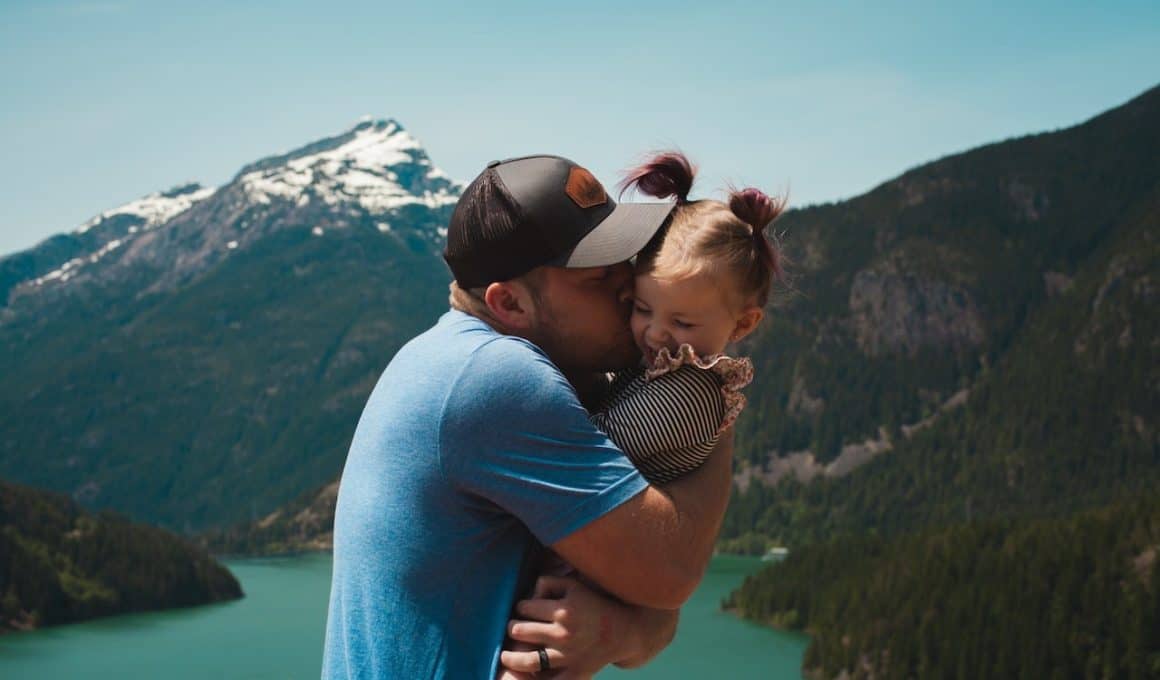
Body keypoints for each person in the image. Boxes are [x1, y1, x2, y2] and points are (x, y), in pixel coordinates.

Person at [322, 154, 735, 679]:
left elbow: (651, 605)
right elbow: (670, 570)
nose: (629, 287)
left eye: (625, 261)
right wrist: (711, 385)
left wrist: (614, 631)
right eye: (597, 278)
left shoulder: (446, 355)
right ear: (510, 304)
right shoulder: (496, 379)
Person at [496, 152, 786, 677]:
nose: (654, 333)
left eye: (682, 321)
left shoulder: (689, 393)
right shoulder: (669, 367)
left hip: (583, 576)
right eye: (642, 308)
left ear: (742, 324)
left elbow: (591, 441)